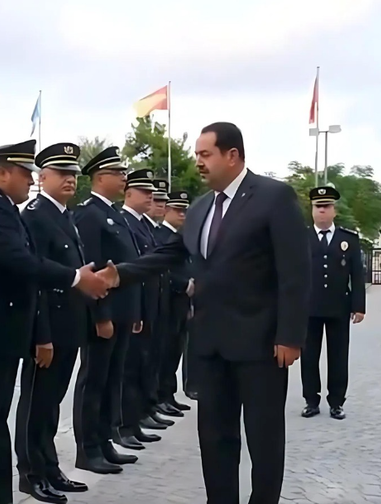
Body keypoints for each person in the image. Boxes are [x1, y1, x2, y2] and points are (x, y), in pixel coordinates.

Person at [98, 122, 311, 504]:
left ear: (232, 155)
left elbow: (295, 271)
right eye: (196, 154)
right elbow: (171, 254)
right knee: (214, 437)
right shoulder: (200, 208)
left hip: (261, 344)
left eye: (205, 154)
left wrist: (290, 335)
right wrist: (118, 275)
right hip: (209, 346)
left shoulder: (273, 197)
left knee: (263, 438)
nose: (198, 162)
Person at [0, 139, 112, 504]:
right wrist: (75, 278)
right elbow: (21, 263)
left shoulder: (4, 208)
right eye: (25, 173)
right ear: (2, 173)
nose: (31, 180)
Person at [14, 142, 89, 503]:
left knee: (52, 402)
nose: (70, 179)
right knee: (36, 402)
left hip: (69, 325)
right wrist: (40, 334)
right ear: (42, 178)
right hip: (48, 328)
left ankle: (49, 466)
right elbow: (36, 280)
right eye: (62, 173)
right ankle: (30, 472)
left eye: (73, 173)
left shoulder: (64, 215)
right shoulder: (35, 216)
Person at [71, 146, 140, 474]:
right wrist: (101, 315)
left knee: (112, 379)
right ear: (100, 177)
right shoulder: (90, 215)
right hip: (106, 314)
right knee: (94, 381)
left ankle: (104, 440)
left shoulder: (114, 214)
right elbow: (92, 271)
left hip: (123, 311)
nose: (124, 178)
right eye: (118, 173)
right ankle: (88, 449)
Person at [115, 170, 174, 447]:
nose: (151, 197)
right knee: (130, 368)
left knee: (145, 363)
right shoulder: (125, 221)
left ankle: (138, 416)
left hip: (150, 305)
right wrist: (137, 310)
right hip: (132, 307)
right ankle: (126, 423)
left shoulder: (144, 225)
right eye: (144, 192)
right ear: (128, 194)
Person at [300, 186, 365, 420]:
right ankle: (311, 401)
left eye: (327, 207)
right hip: (309, 308)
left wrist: (359, 306)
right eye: (318, 207)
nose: (322, 212)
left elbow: (357, 274)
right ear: (312, 210)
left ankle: (337, 402)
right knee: (309, 357)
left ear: (334, 211)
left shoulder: (348, 239)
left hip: (339, 307)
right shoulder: (302, 238)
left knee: (338, 357)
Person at [145, 179, 184, 418]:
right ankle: (153, 401)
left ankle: (164, 396)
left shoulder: (168, 233)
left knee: (170, 353)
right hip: (164, 298)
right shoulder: (158, 233)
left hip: (173, 300)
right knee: (155, 356)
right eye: (156, 200)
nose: (157, 205)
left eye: (161, 200)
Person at [153, 191, 193, 412]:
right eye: (178, 210)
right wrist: (184, 284)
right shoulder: (161, 235)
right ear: (167, 210)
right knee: (164, 351)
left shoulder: (181, 235)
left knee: (175, 350)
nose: (182, 215)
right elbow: (164, 268)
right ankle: (159, 397)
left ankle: (168, 394)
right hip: (168, 298)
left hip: (181, 301)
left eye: (185, 211)